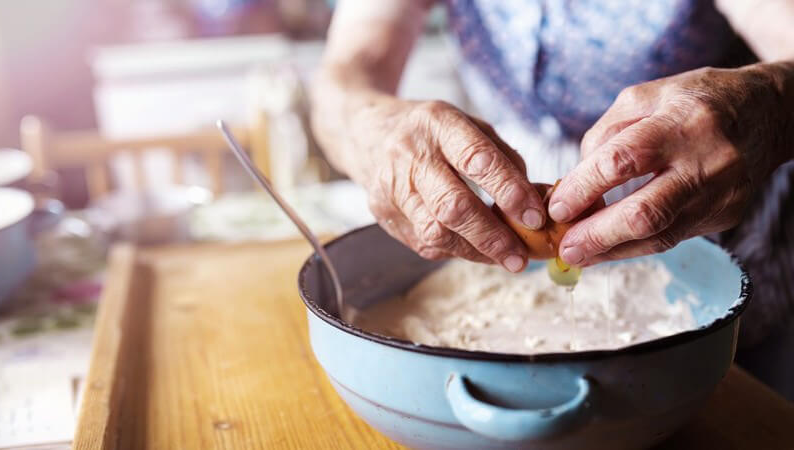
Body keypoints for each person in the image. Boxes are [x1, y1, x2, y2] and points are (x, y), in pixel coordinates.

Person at [310, 0, 794, 396]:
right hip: (501, 209)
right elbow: (346, 77)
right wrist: (370, 124)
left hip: (714, 209)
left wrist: (772, 101)